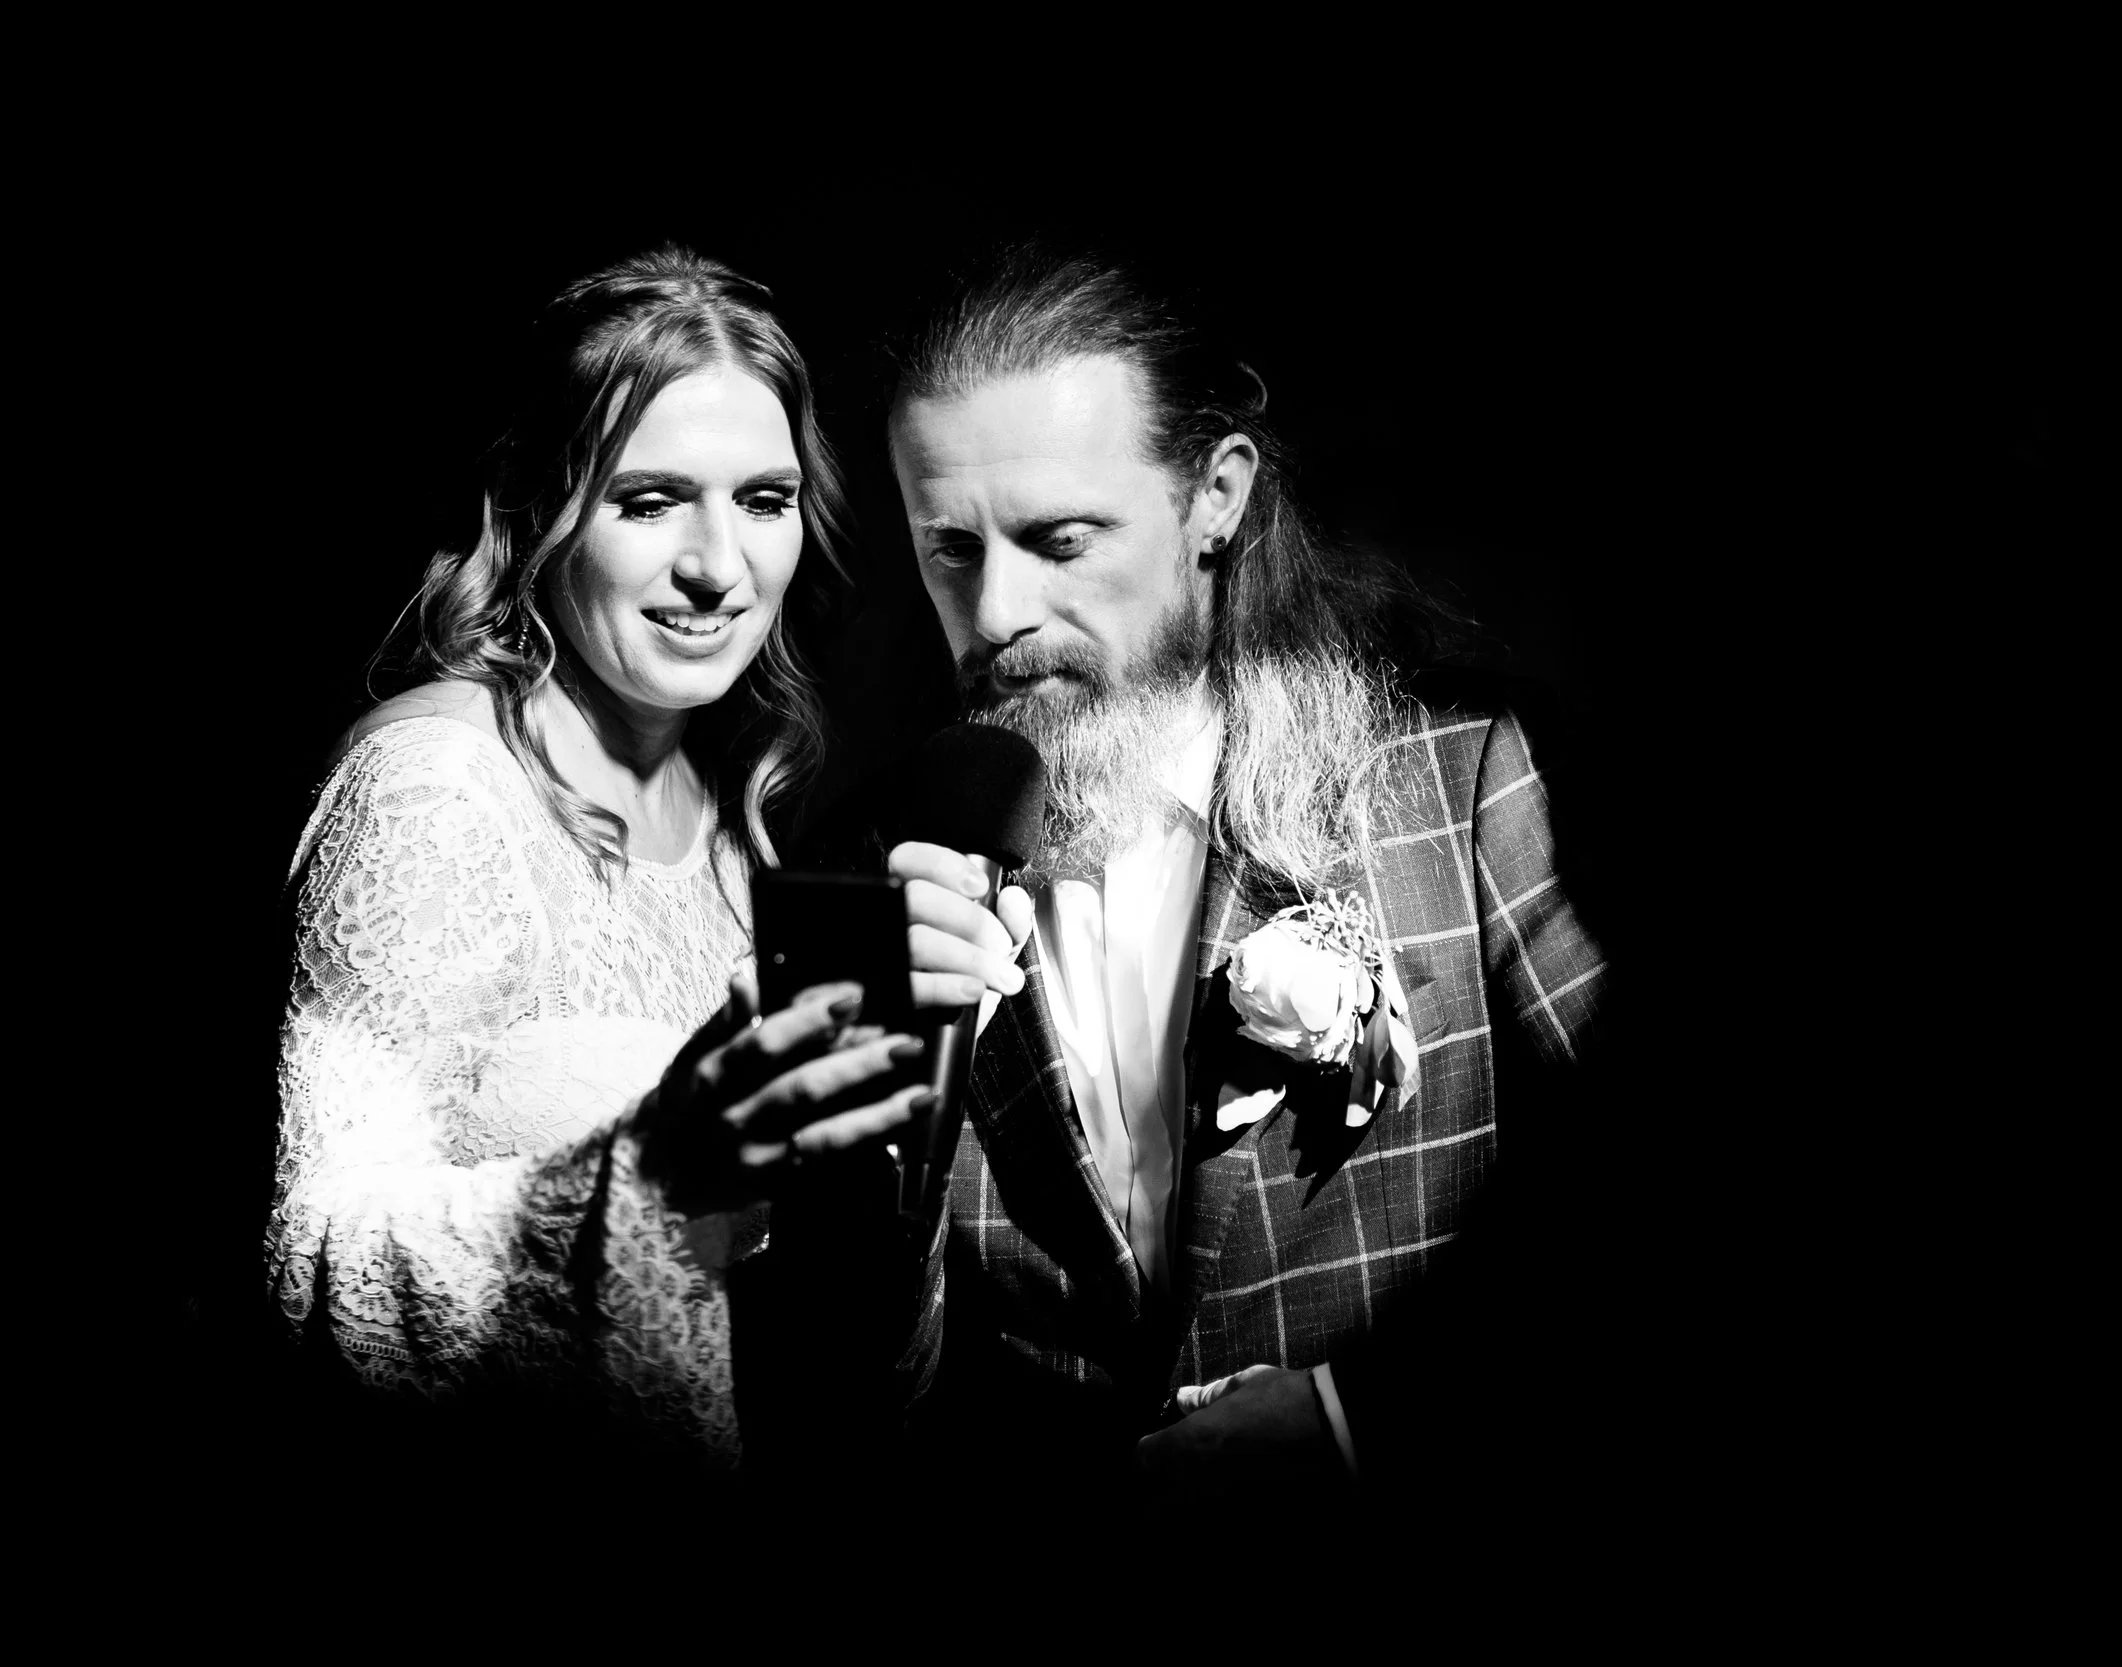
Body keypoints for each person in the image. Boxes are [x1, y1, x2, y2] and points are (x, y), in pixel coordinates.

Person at [855, 247, 1610, 1526]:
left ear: (1216, 496)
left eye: (1058, 539)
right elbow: (859, 1393)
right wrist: (886, 1109)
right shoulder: (879, 857)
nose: (993, 611)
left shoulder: (1455, 775)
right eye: (947, 548)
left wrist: (1360, 1417)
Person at [267, 248, 959, 1478]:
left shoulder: (736, 819)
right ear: (539, 507)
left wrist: (887, 1162)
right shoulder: (438, 792)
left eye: (762, 500)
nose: (717, 568)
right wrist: (645, 1175)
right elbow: (311, 1260)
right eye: (648, 500)